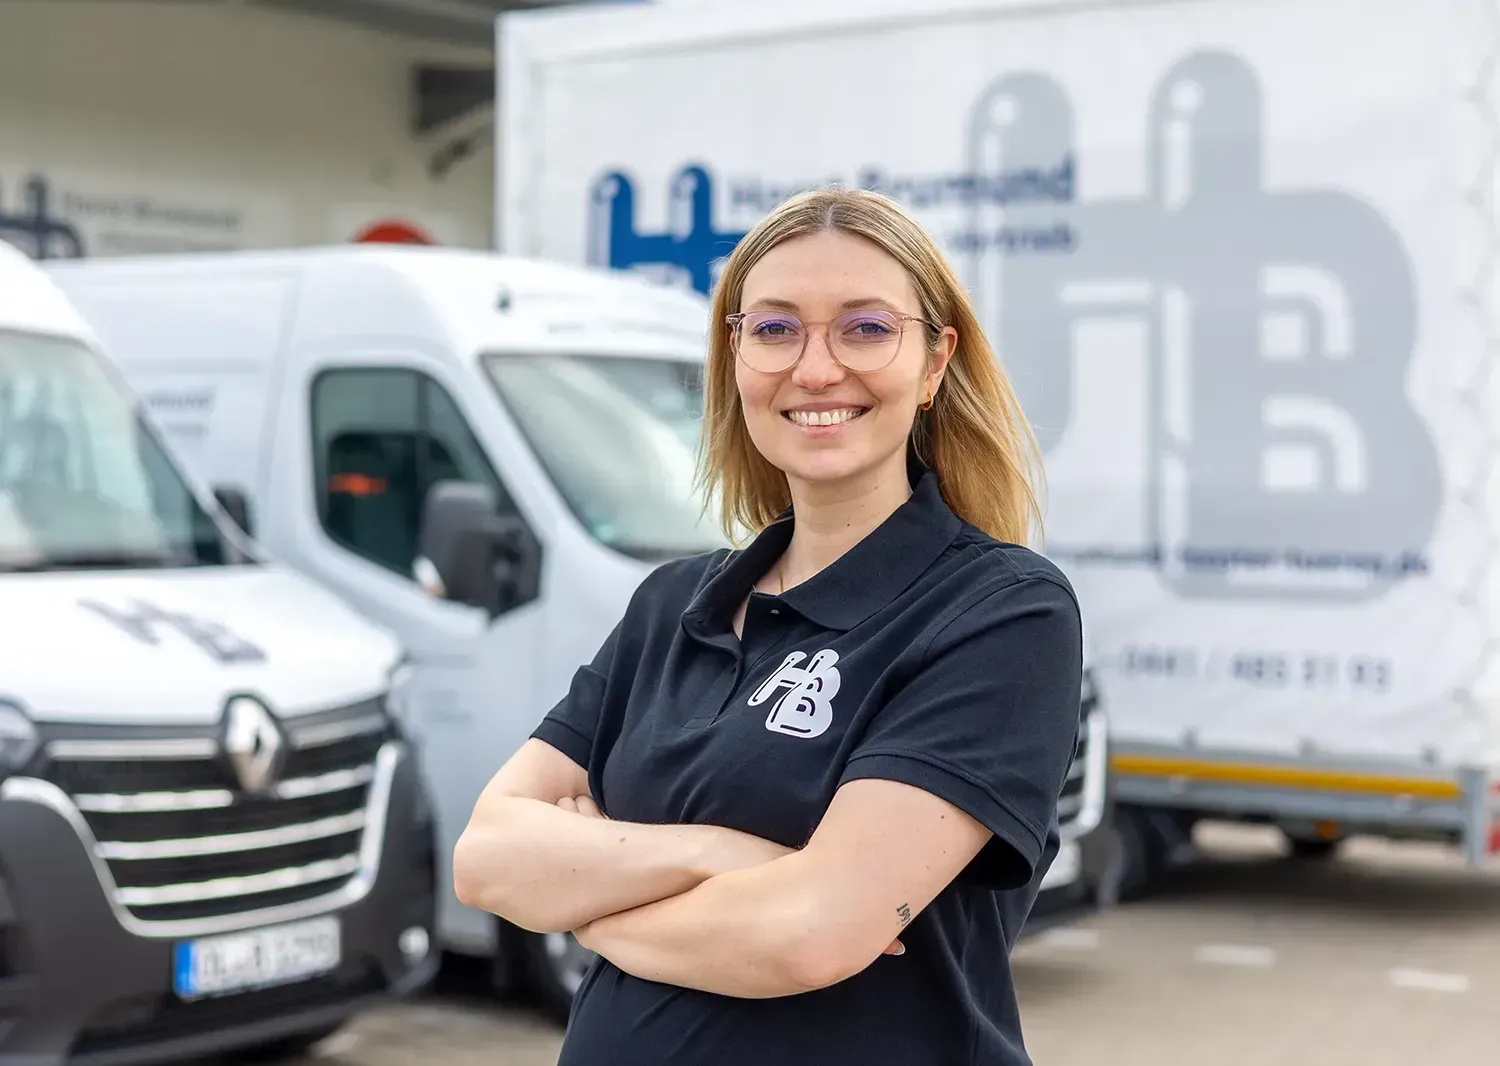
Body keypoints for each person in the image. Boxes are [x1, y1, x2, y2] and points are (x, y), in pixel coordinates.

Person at [452, 186, 1085, 1065]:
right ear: (736, 355)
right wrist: (721, 855)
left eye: (866, 328)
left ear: (936, 362)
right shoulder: (670, 605)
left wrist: (584, 894)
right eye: (776, 328)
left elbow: (808, 937)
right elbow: (487, 858)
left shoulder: (1001, 611)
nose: (816, 369)